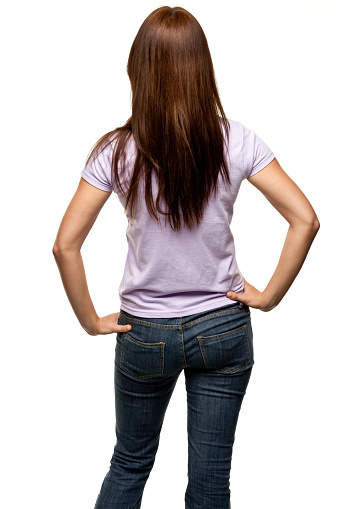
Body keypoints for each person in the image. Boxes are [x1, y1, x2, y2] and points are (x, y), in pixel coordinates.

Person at [52, 6, 320, 509]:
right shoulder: (236, 139)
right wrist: (267, 298)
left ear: (139, 69)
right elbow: (305, 219)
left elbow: (64, 244)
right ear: (203, 68)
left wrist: (89, 320)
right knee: (210, 483)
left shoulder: (115, 151)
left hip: (144, 334)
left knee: (129, 465)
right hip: (223, 327)